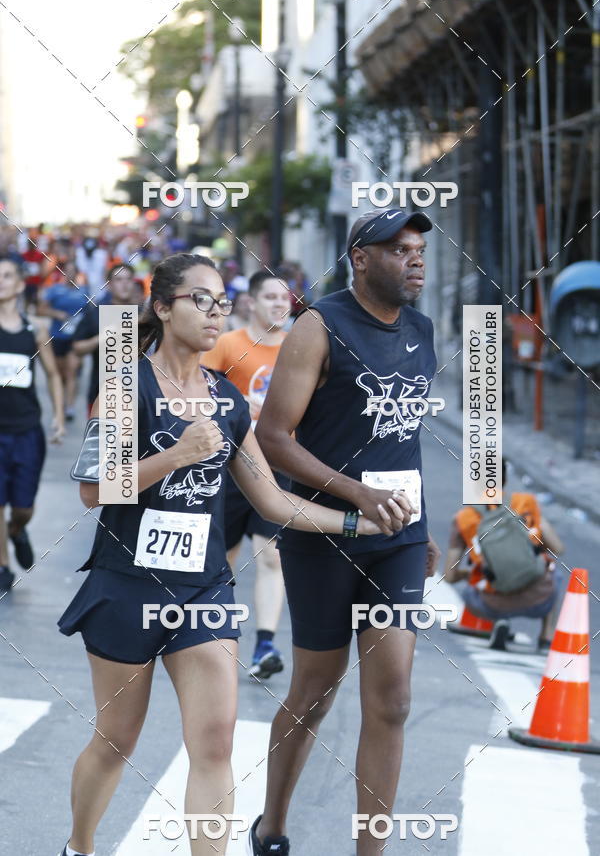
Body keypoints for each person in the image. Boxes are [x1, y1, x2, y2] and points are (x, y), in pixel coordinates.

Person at [57, 252, 410, 856]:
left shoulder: (225, 399)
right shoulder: (126, 386)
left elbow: (272, 502)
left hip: (203, 590)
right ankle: (80, 846)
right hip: (126, 586)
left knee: (215, 744)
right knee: (116, 740)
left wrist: (358, 523)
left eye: (222, 302)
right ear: (162, 307)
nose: (215, 313)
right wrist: (175, 454)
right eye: (200, 300)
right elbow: (94, 490)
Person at [251, 209, 442, 856]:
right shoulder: (319, 325)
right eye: (398, 250)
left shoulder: (423, 328)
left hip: (398, 539)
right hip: (327, 532)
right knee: (315, 690)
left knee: (392, 699)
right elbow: (274, 438)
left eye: (418, 249)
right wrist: (358, 494)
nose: (414, 259)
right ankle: (272, 823)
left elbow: (403, 440)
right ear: (361, 258)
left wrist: (425, 525)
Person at [203, 270, 291, 678]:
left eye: (285, 297)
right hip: (230, 464)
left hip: (278, 466)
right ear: (251, 303)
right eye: (270, 297)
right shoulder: (227, 345)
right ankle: (210, 638)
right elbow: (194, 392)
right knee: (223, 558)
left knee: (271, 554)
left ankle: (266, 645)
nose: (279, 303)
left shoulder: (299, 348)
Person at [444, 459, 565, 651]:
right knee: (552, 569)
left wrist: (469, 574)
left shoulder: (463, 519)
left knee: (478, 578)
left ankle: (499, 621)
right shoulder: (526, 503)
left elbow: (449, 576)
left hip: (488, 605)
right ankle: (546, 637)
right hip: (539, 599)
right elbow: (557, 548)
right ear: (505, 479)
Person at [0, 257, 64, 591]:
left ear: (20, 285)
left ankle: (17, 529)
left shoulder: (34, 329)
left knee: (22, 506)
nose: (1, 281)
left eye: (7, 276)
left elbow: (53, 374)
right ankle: (3, 567)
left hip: (27, 429)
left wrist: (57, 416)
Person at [72, 264, 137, 415]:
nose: (124, 284)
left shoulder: (144, 315)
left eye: (128, 279)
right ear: (109, 285)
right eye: (119, 280)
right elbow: (77, 348)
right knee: (100, 439)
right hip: (100, 394)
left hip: (137, 396)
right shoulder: (96, 312)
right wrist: (101, 338)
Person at [38, 260, 90, 421]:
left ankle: (70, 407)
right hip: (58, 337)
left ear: (77, 274)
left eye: (73, 271)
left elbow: (90, 314)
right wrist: (57, 314)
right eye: (67, 271)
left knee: (71, 372)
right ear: (63, 274)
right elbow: (41, 309)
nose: (70, 274)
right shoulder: (55, 290)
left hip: (75, 339)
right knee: (59, 375)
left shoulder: (84, 292)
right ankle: (59, 405)